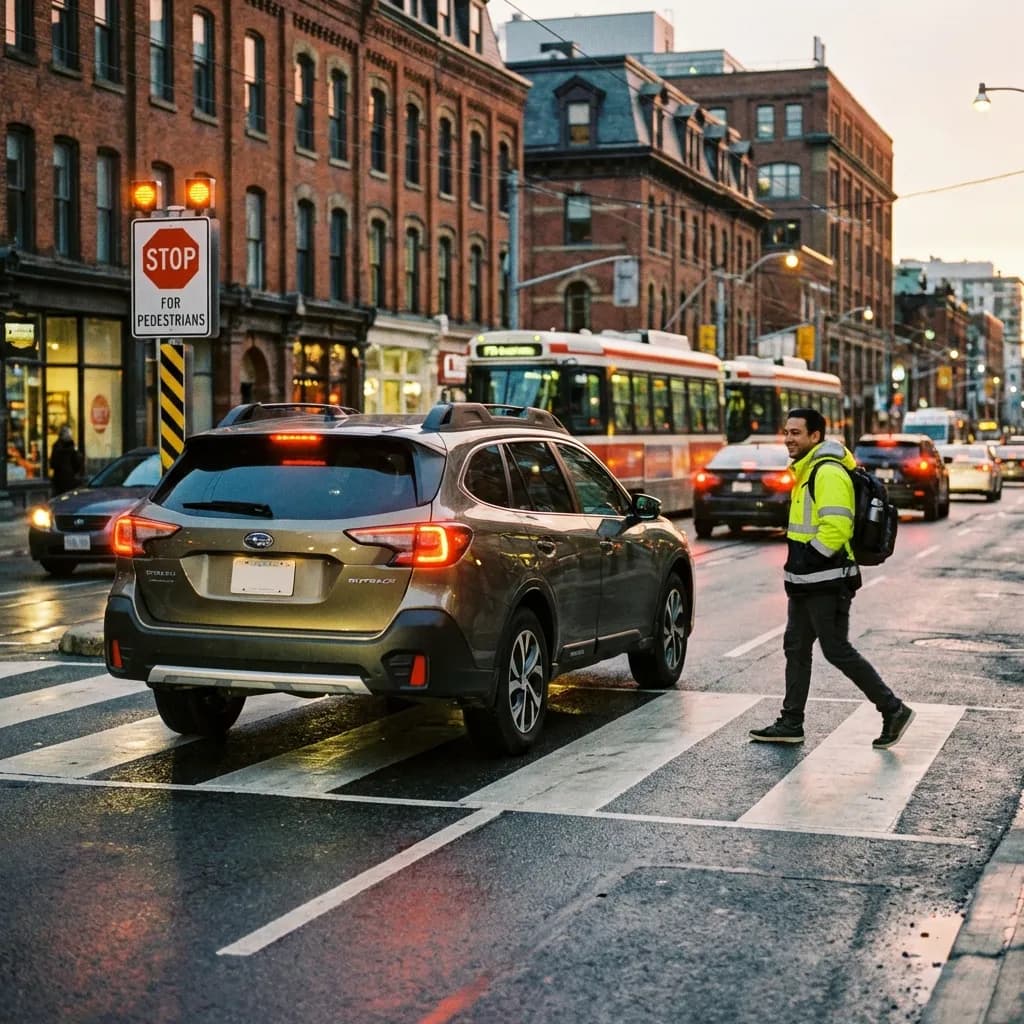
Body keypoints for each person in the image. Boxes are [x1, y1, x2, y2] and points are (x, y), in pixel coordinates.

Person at [749, 407, 915, 749]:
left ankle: (893, 709)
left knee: (836, 649)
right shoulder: (806, 470)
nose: (789, 439)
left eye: (796, 433)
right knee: (796, 647)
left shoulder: (826, 472)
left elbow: (836, 527)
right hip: (806, 582)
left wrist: (809, 559)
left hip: (827, 580)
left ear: (815, 436)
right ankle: (791, 722)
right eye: (787, 432)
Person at [49, 425, 84, 495]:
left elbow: (53, 464)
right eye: (69, 434)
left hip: (60, 480)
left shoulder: (57, 446)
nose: (70, 436)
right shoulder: (72, 447)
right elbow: (78, 462)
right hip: (68, 479)